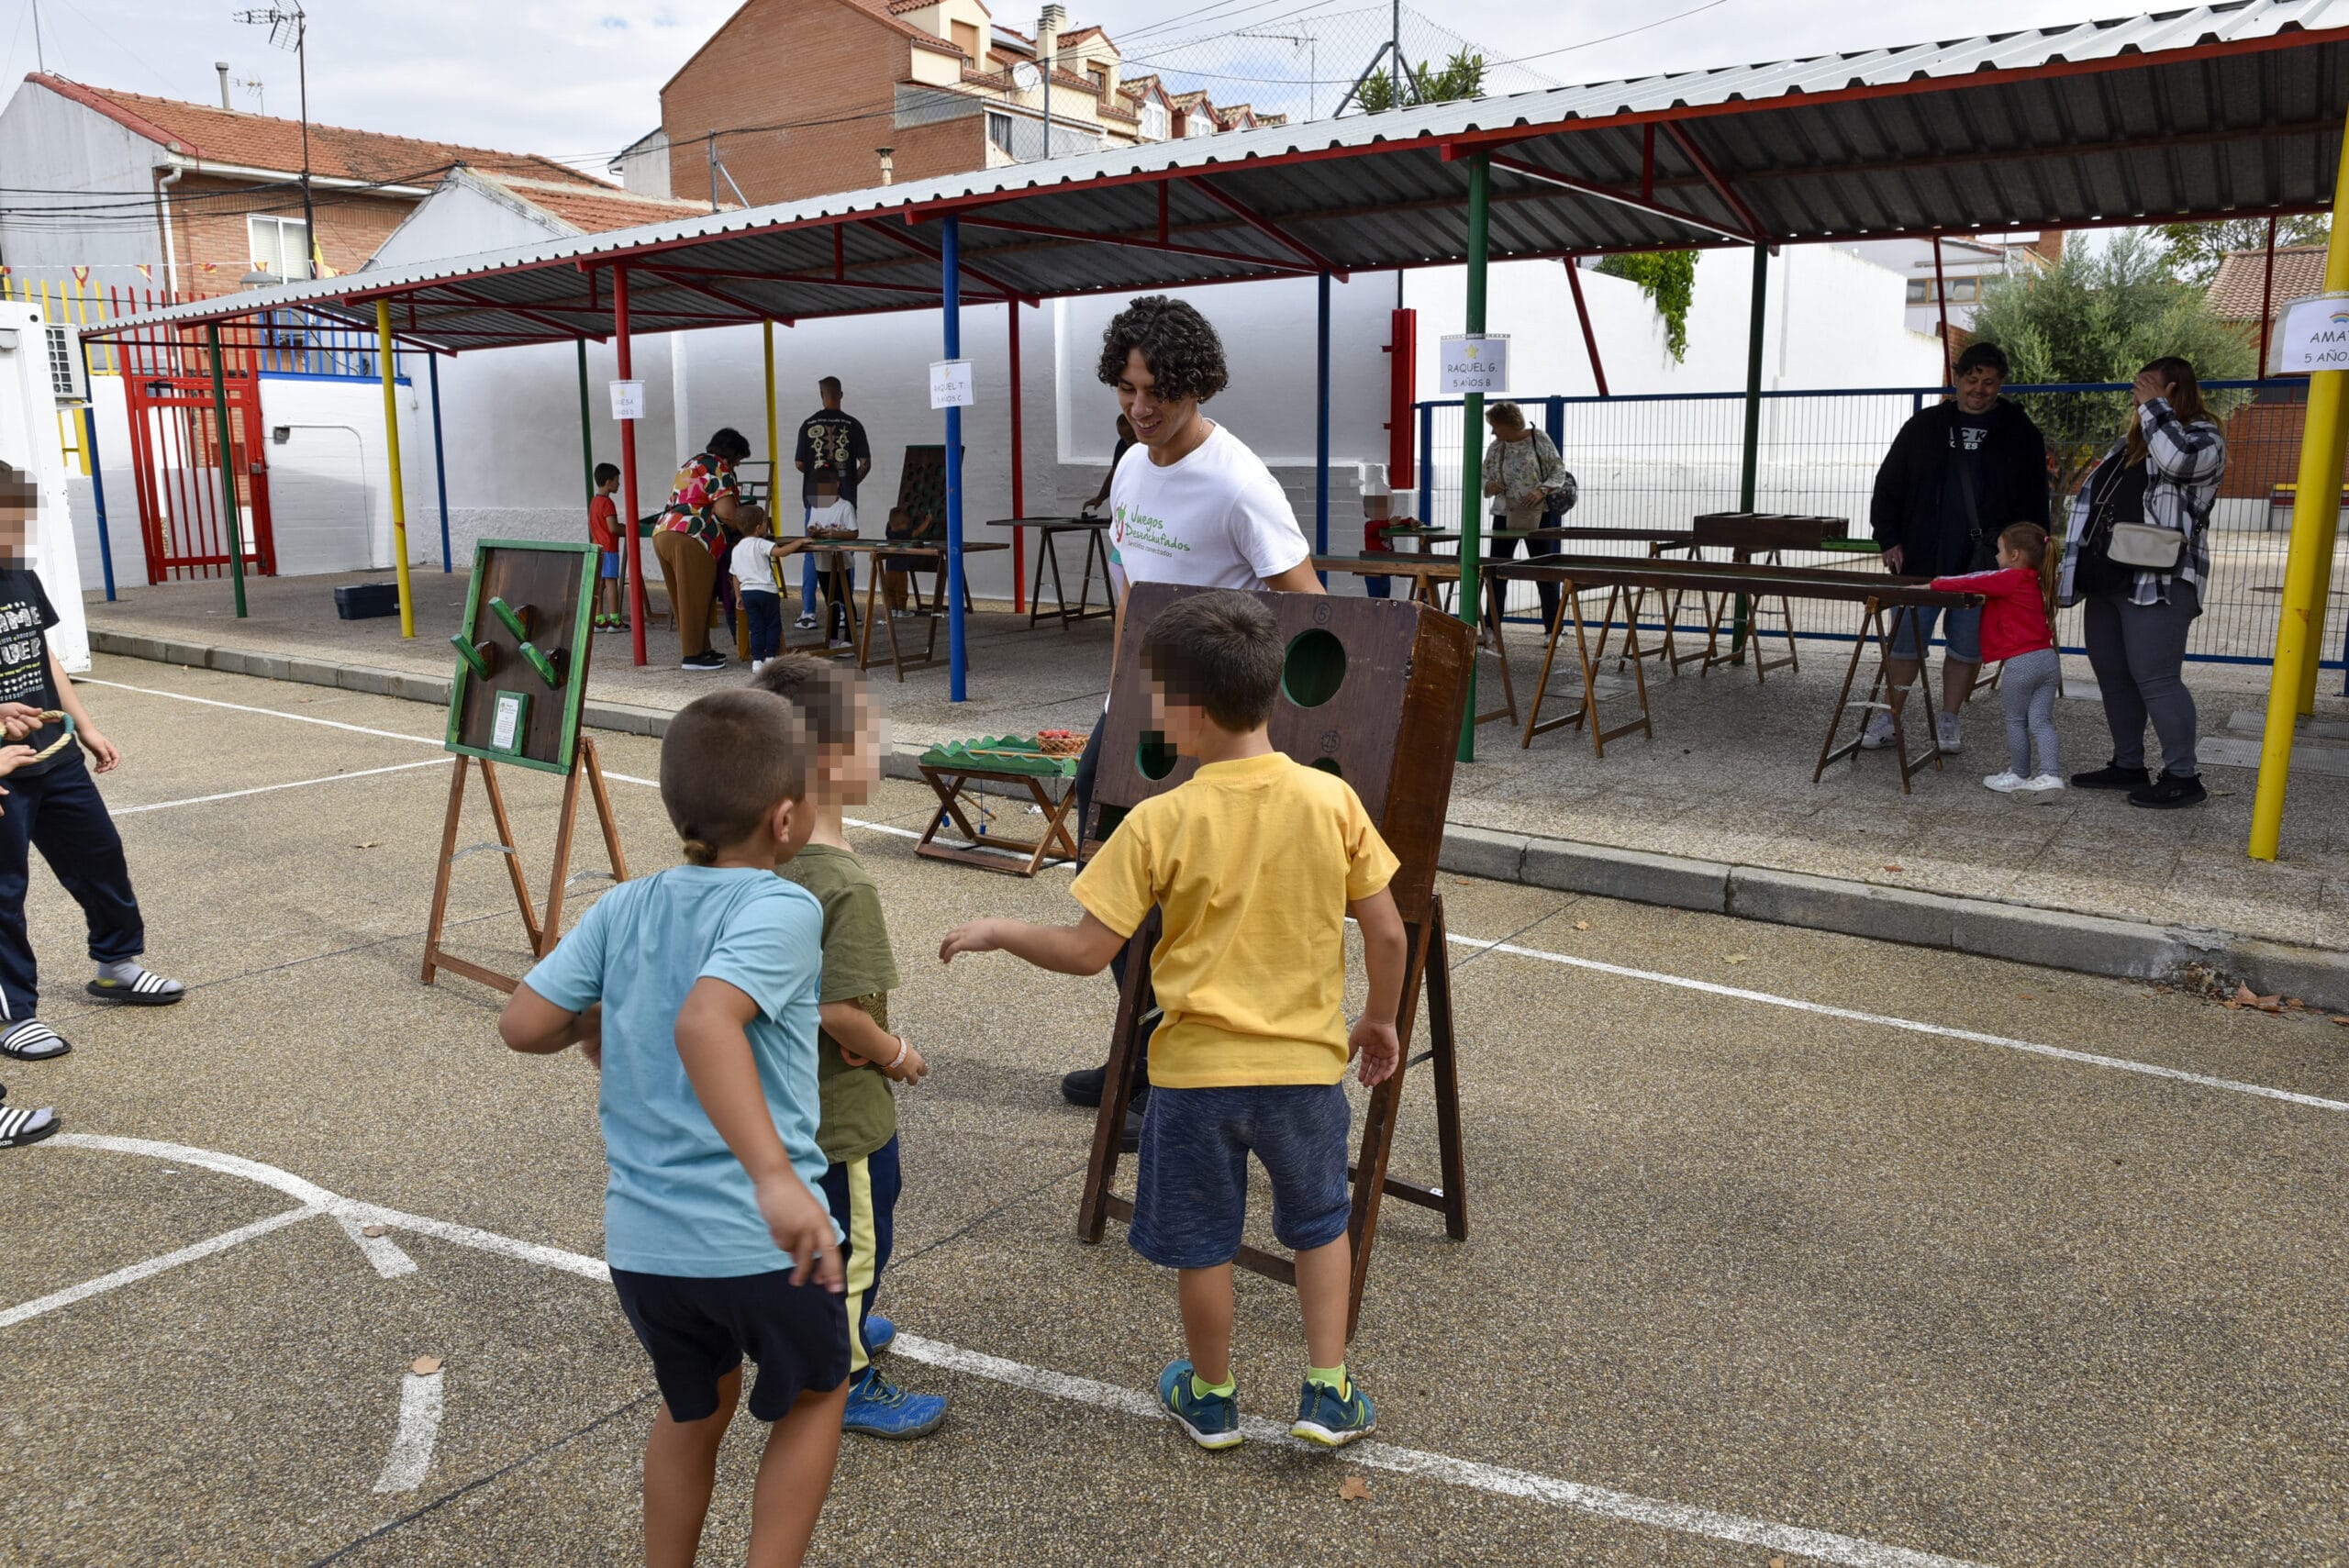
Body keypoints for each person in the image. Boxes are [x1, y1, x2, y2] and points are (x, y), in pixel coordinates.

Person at [940, 591, 1408, 1451]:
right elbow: (1385, 930)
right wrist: (1379, 1019)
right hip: (1305, 1071)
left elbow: (1088, 951)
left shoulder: (1161, 819)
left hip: (1194, 1077)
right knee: (1319, 1224)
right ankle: (1328, 1389)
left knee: (1205, 1243)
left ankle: (1213, 1395)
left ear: (1189, 711)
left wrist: (1000, 929)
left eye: (1158, 697)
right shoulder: (1331, 802)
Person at [498, 688, 847, 1568]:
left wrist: (600, 1020)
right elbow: (704, 1020)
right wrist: (774, 1177)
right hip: (758, 1241)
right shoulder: (784, 907)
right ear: (785, 818)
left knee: (694, 1409)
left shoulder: (624, 905)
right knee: (817, 1394)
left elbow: (524, 1023)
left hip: (648, 1249)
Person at [1063, 295, 1324, 1143]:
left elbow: (1312, 612)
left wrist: (1268, 734)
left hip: (1209, 729)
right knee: (1108, 882)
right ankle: (1141, 1055)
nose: (1140, 408)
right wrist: (1114, 702)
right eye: (1127, 388)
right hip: (1133, 712)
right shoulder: (1131, 467)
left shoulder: (1240, 484)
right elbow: (1133, 594)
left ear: (1196, 387)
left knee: (1182, 905)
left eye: (1158, 393)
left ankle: (1175, 1076)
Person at [755, 656, 949, 1440]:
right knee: (859, 1241)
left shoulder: (765, 858)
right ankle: (847, 1374)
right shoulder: (844, 883)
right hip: (843, 1114)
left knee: (821, 1237)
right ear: (832, 759)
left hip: (780, 1103)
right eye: (869, 735)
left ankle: (841, 1328)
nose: (880, 748)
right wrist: (897, 1051)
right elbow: (840, 1010)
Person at [0, 467, 184, 1078]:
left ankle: (116, 965)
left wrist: (85, 725)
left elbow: (43, 654)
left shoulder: (18, 572)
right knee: (4, 894)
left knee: (100, 856)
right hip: (2, 769)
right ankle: (14, 1015)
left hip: (54, 755)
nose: (18, 528)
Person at [2057, 357, 2227, 810]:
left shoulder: (2202, 437)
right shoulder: (2131, 443)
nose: (2137, 395)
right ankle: (2128, 763)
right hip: (2108, 576)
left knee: (2157, 679)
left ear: (2173, 389)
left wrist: (2154, 408)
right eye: (2137, 389)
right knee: (2113, 676)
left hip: (2160, 578)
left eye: (2147, 386)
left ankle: (2183, 777)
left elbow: (2179, 463)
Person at [1864, 341, 2049, 755]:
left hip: (1985, 564)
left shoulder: (2020, 432)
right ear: (1957, 379)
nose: (1979, 389)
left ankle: (1949, 719)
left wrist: (2030, 559)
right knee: (1905, 644)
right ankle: (1889, 716)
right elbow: (1888, 484)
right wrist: (1888, 537)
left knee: (1966, 648)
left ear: (2000, 385)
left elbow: (2036, 501)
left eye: (1989, 382)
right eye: (1972, 379)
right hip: (1921, 558)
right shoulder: (1924, 426)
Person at [1932, 523, 2062, 795]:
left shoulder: (2010, 578)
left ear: (2015, 555)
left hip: (2021, 662)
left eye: (2000, 551)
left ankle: (2019, 773)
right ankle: (2051, 775)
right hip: (2048, 659)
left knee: (2016, 720)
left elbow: (1972, 581)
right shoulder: (2037, 580)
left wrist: (1935, 583)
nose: (1996, 556)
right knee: (2041, 721)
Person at [655, 428, 754, 673]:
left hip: (664, 531)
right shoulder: (720, 467)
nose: (738, 465)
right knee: (695, 598)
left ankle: (701, 649)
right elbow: (726, 512)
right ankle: (692, 656)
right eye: (739, 460)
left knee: (684, 598)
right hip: (693, 535)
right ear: (732, 453)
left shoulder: (692, 464)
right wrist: (749, 530)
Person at [1479, 401, 1572, 630]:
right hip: (1504, 513)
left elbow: (1557, 469)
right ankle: (1491, 626)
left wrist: (1541, 490)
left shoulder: (1538, 438)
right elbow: (1483, 474)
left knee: (1543, 571)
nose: (1493, 432)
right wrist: (1490, 485)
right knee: (1497, 570)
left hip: (1538, 514)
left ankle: (1553, 629)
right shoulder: (1496, 447)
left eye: (1495, 426)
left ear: (1508, 424)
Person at [793, 378, 872, 633]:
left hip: (816, 498)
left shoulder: (808, 424)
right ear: (841, 394)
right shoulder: (854, 425)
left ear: (821, 394)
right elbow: (865, 463)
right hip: (844, 496)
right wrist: (849, 484)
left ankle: (808, 613)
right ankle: (846, 613)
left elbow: (800, 464)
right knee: (846, 552)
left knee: (812, 552)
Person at [729, 506, 797, 673]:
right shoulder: (761, 544)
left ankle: (757, 660)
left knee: (756, 627)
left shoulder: (736, 549)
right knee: (772, 625)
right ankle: (771, 657)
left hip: (748, 593)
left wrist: (738, 596)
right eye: (765, 522)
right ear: (758, 527)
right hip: (767, 591)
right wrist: (799, 543)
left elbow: (735, 576)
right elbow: (780, 552)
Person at [588, 462, 625, 631]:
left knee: (600, 584)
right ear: (609, 482)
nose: (619, 484)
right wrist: (629, 529)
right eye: (617, 480)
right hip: (609, 547)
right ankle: (615, 620)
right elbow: (613, 528)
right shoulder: (608, 503)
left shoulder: (594, 501)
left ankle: (599, 619)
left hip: (598, 547)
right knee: (611, 584)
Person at [1079, 414, 1137, 517]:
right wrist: (1100, 498)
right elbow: (1114, 475)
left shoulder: (1152, 446)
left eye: (1131, 437)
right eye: (1123, 438)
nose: (1128, 443)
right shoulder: (1122, 446)